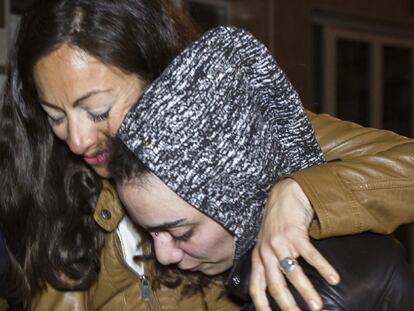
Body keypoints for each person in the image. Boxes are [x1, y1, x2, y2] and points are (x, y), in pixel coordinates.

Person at [1, 0, 414, 310]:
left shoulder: (245, 132)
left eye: (98, 112)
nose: (75, 140)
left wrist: (299, 192)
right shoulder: (36, 174)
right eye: (54, 114)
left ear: (159, 78)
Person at [108, 26, 414, 310]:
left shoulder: (321, 293)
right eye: (149, 232)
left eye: (182, 232)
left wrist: (301, 192)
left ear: (242, 197)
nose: (163, 255)